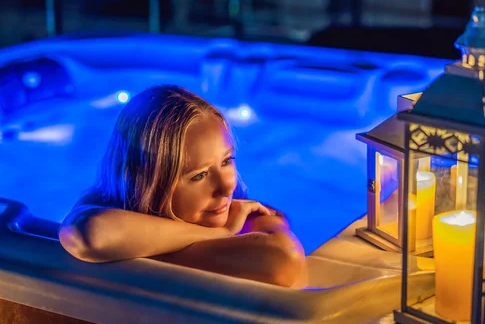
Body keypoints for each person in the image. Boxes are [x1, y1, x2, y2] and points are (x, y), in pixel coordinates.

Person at [58, 85, 306, 287]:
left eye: (227, 161)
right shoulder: (109, 204)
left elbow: (284, 258)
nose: (226, 186)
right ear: (147, 183)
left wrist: (139, 250)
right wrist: (218, 234)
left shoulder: (241, 211)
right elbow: (89, 234)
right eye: (199, 176)